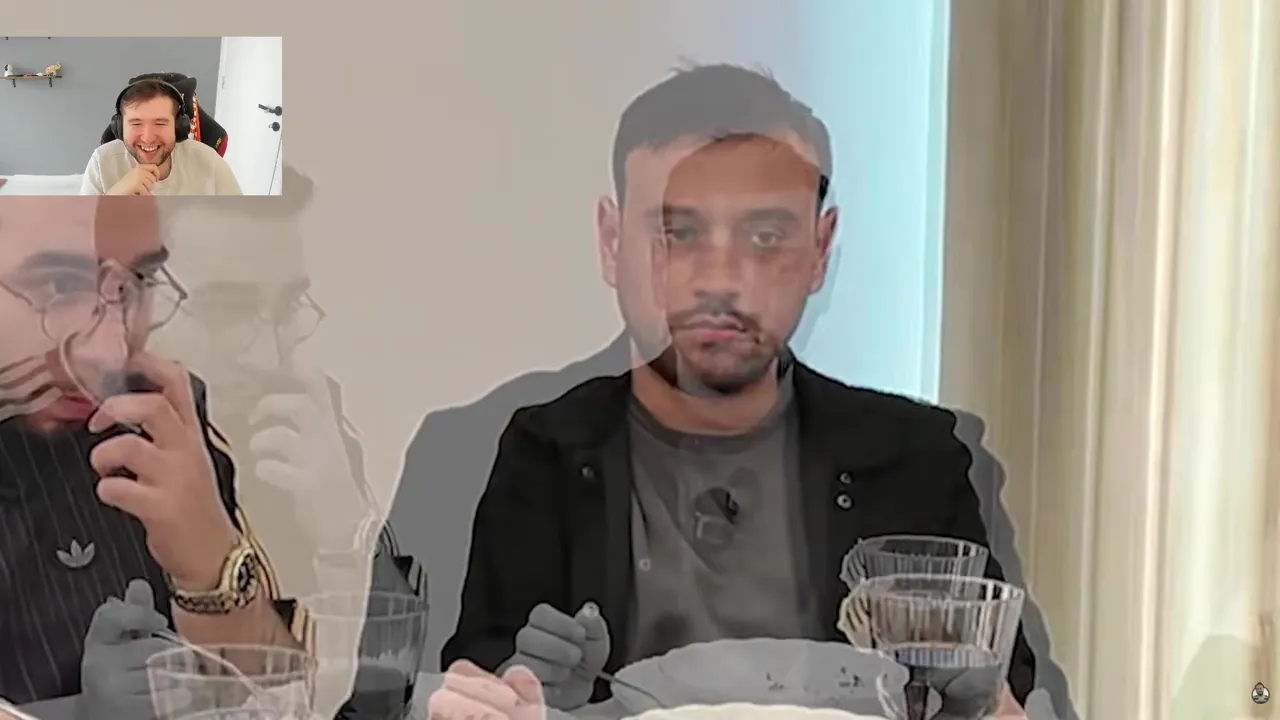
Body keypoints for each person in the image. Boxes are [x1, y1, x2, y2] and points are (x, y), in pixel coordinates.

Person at [428, 64, 1049, 718]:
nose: (721, 279)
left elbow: (1011, 698)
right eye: (678, 233)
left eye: (766, 237)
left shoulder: (918, 459)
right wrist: (529, 695)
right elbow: (473, 685)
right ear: (612, 243)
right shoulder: (536, 454)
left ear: (820, 248)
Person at [0, 195, 307, 715]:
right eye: (59, 287)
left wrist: (212, 567)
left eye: (137, 282)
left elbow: (284, 699)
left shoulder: (157, 416)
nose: (111, 351)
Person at [80, 78, 242, 196]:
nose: (148, 138)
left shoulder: (209, 162)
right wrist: (113, 198)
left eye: (160, 123)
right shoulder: (102, 163)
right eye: (136, 124)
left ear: (178, 127)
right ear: (120, 127)